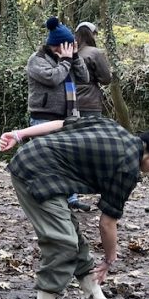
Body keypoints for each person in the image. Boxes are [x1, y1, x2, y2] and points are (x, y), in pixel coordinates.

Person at [0, 117, 149, 299]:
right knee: (62, 242)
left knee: (73, 238)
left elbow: (61, 124)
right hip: (34, 172)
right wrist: (109, 259)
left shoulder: (111, 126)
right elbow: (107, 223)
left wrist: (20, 133)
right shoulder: (127, 169)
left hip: (44, 166)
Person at [26, 16, 92, 211]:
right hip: (43, 117)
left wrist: (76, 58)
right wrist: (65, 61)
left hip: (69, 116)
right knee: (44, 161)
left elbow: (85, 77)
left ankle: (71, 200)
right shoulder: (36, 60)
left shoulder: (69, 58)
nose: (66, 50)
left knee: (69, 160)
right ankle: (41, 198)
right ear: (55, 45)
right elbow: (53, 78)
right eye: (63, 46)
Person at [75, 21, 113, 117]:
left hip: (71, 102)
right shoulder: (95, 53)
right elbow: (106, 79)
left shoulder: (70, 54)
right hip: (90, 102)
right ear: (91, 35)